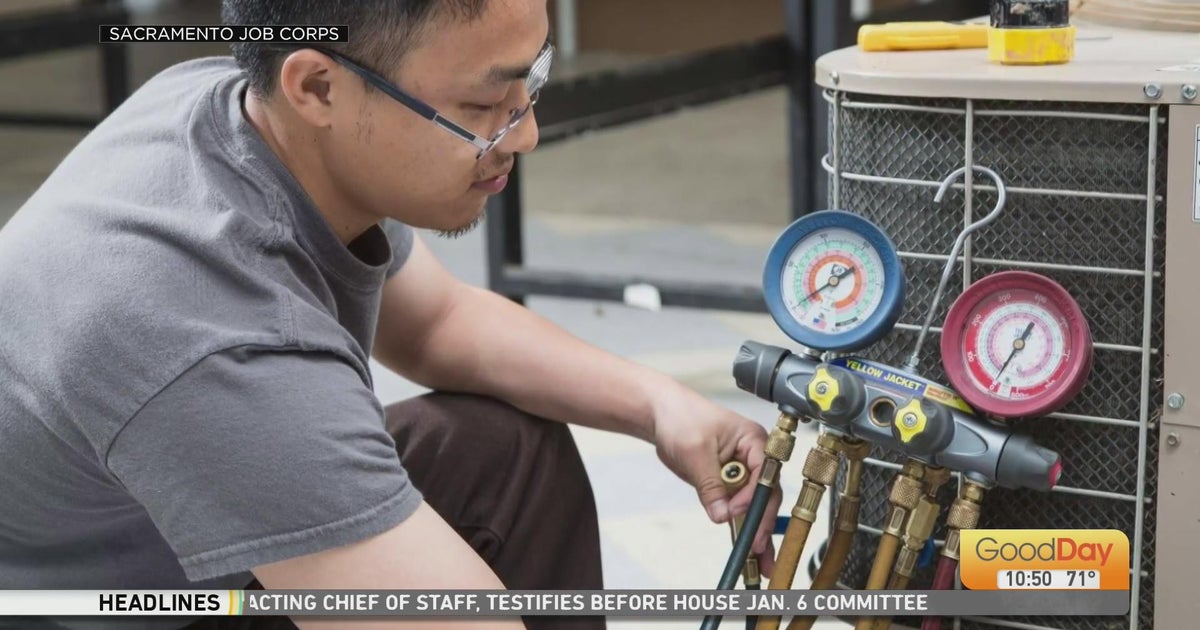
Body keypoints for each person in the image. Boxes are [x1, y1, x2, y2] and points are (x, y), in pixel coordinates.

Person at [0, 1, 781, 629]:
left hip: (182, 544)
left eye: (529, 84)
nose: (527, 133)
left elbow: (438, 324)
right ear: (318, 88)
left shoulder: (234, 109)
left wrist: (662, 407)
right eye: (484, 104)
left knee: (501, 453)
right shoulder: (209, 339)